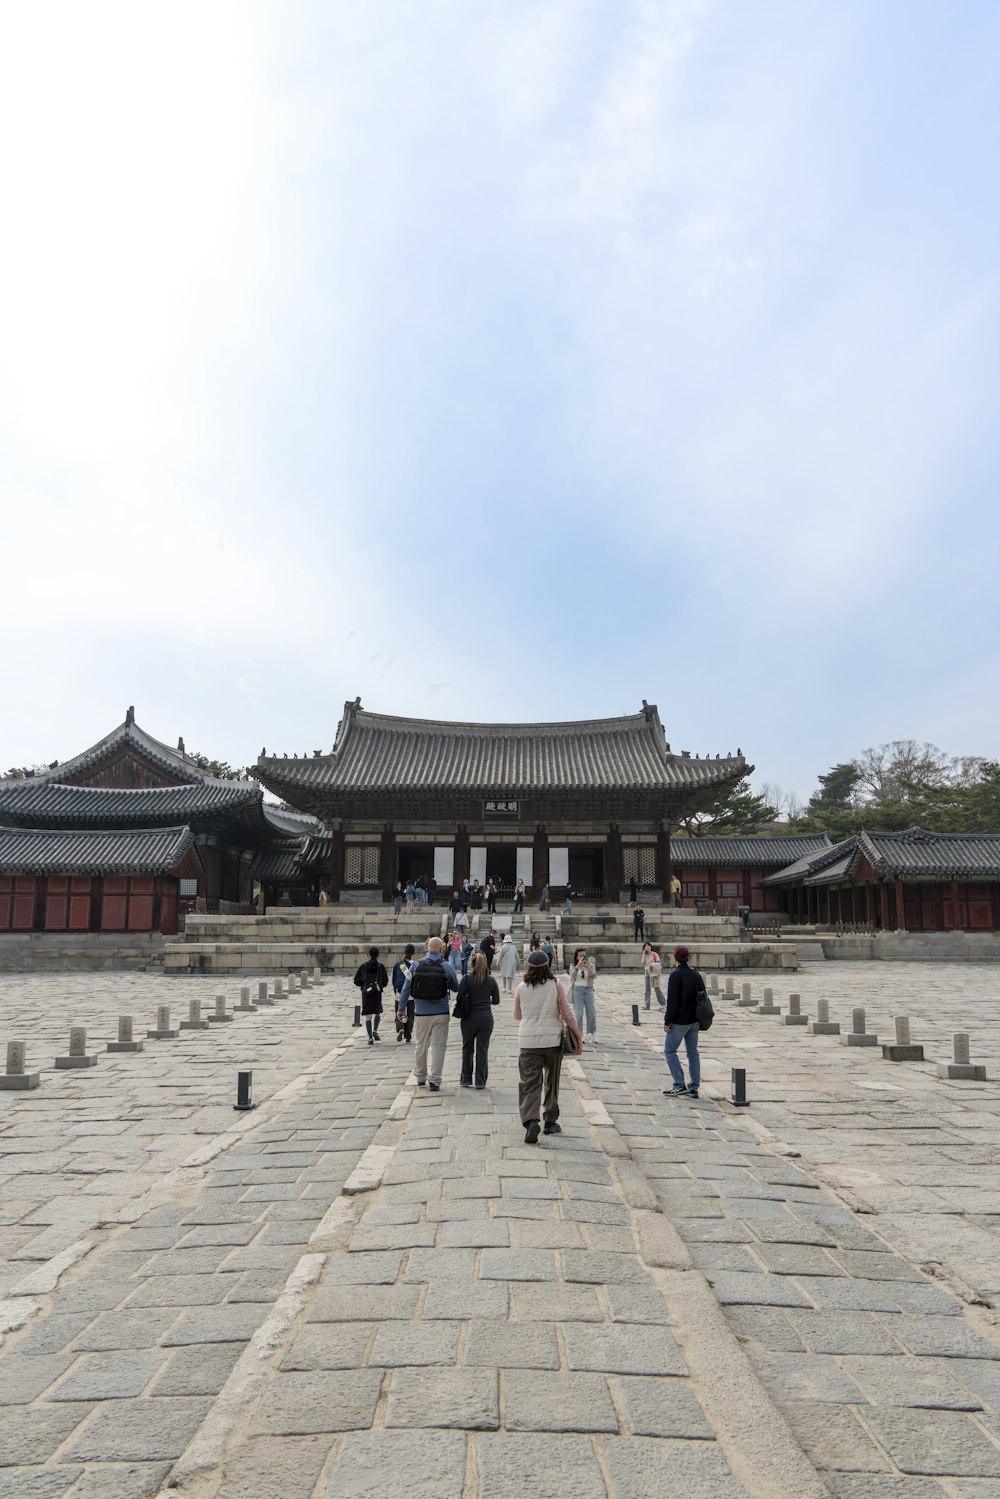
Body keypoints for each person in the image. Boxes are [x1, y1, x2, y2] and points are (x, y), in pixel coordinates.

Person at [514, 949, 582, 1143]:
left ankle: (531, 1120)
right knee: (552, 1081)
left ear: (528, 967)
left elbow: (517, 1016)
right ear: (547, 966)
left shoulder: (521, 987)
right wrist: (577, 1034)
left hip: (528, 1040)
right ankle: (550, 1121)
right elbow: (567, 1013)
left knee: (529, 1083)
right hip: (552, 1041)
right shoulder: (556, 984)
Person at [398, 936, 458, 1090]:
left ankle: (420, 1077)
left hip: (421, 1013)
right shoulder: (446, 966)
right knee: (438, 1047)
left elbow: (406, 988)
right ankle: (435, 1080)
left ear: (427, 948)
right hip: (441, 1012)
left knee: (421, 1045)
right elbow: (456, 987)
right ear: (441, 949)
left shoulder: (416, 965)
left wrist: (401, 1009)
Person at [664, 945, 704, 1098]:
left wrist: (667, 1021)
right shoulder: (695, 974)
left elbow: (672, 1002)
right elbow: (702, 996)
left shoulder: (675, 975)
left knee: (669, 1051)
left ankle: (679, 1084)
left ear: (675, 959)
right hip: (694, 1020)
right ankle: (693, 1087)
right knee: (693, 1053)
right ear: (688, 958)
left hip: (680, 1021)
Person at [457, 949, 500, 1089]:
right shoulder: (491, 980)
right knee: (482, 1049)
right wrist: (486, 1001)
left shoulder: (466, 979)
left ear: (472, 964)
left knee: (467, 1048)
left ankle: (466, 1079)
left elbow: (459, 998)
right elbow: (496, 1000)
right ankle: (480, 1081)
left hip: (469, 1017)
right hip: (486, 1017)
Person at [354, 945, 388, 1045]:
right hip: (377, 993)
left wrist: (363, 985)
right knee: (377, 1012)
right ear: (378, 955)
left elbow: (357, 980)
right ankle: (375, 1030)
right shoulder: (380, 967)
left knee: (368, 1016)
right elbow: (385, 981)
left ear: (368, 955)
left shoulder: (363, 966)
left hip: (366, 993)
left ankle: (370, 1038)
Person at [569, 947, 597, 1044]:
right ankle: (580, 1035)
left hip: (588, 990)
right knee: (578, 1014)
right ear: (577, 957)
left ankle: (592, 1032)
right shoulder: (573, 966)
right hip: (577, 990)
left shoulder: (590, 965)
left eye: (584, 955)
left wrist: (588, 968)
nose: (582, 957)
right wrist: (578, 967)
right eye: (580, 955)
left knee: (591, 1012)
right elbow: (571, 975)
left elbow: (594, 976)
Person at [392, 943, 417, 1043]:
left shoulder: (398, 964)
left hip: (399, 991)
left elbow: (394, 979)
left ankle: (401, 1027)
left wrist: (396, 991)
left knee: (399, 1010)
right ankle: (408, 1036)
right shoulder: (415, 965)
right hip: (411, 992)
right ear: (413, 953)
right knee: (410, 1014)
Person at [641, 941, 665, 1010]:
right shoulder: (645, 955)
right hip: (647, 972)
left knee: (657, 988)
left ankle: (663, 1003)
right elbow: (642, 963)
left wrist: (651, 965)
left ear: (650, 947)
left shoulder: (654, 954)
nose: (647, 947)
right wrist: (643, 955)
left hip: (654, 973)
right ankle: (646, 1005)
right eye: (645, 946)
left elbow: (658, 963)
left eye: (648, 946)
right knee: (647, 989)